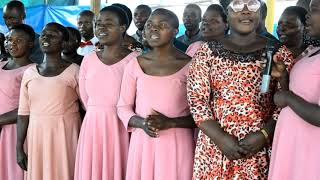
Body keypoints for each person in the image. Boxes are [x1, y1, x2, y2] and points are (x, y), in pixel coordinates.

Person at [187, 0, 294, 179]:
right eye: (238, 5)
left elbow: (287, 102)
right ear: (227, 14)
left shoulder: (278, 53)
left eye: (252, 5)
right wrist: (221, 138)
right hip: (216, 146)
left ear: (260, 13)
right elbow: (197, 100)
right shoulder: (206, 52)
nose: (245, 11)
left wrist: (265, 134)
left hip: (260, 145)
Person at [117, 8, 196, 180]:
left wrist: (171, 123)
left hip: (177, 142)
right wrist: (143, 123)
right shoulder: (134, 64)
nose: (154, 29)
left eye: (162, 25)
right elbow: (123, 107)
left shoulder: (190, 66)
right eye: (150, 25)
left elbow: (200, 114)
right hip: (143, 140)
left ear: (176, 31)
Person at [74, 6, 139, 180]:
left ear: (122, 27)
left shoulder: (135, 60)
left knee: (119, 167)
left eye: (108, 23)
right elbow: (85, 97)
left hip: (122, 125)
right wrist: (98, 112)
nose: (101, 28)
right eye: (98, 23)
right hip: (93, 123)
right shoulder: (88, 60)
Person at [16, 22, 81, 180]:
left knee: (65, 171)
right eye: (44, 34)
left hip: (65, 133)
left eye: (52, 35)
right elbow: (23, 113)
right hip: (37, 134)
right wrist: (19, 147)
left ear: (63, 43)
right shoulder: (30, 73)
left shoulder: (74, 71)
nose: (46, 37)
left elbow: (87, 106)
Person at [268, 0, 320, 179]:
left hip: (309, 149)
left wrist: (288, 98)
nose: (307, 16)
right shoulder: (313, 51)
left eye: (314, 10)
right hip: (293, 144)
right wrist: (283, 78)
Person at [0, 24, 34, 180]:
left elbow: (28, 107)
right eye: (8, 39)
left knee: (14, 172)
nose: (11, 43)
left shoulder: (33, 70)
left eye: (18, 40)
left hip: (15, 129)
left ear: (31, 44)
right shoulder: (1, 64)